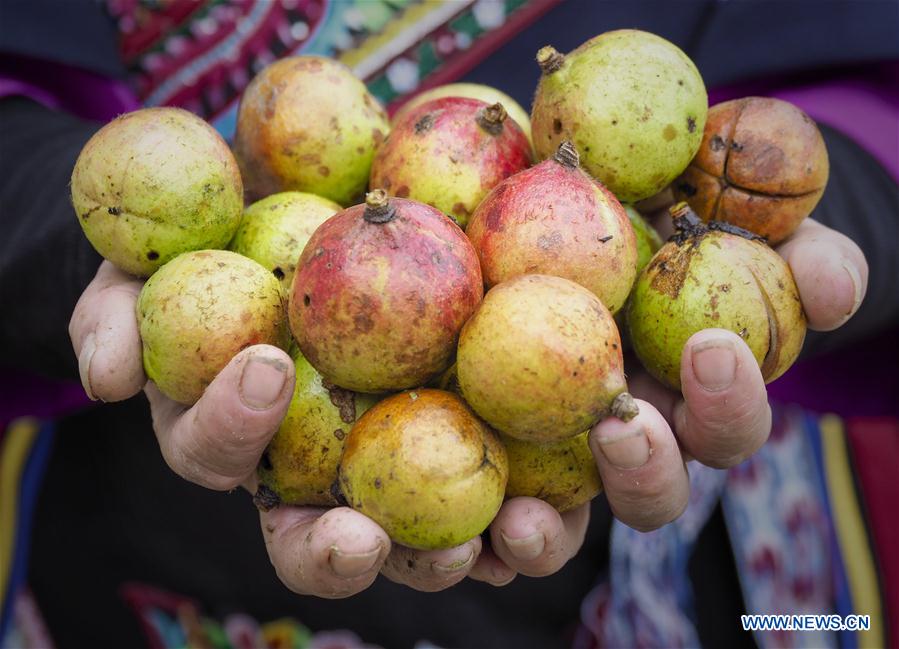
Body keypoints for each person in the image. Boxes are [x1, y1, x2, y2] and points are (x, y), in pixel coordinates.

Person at [1, 1, 896, 647]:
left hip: (673, 460)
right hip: (138, 484)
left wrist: (817, 214)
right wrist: (81, 252)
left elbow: (865, 89)